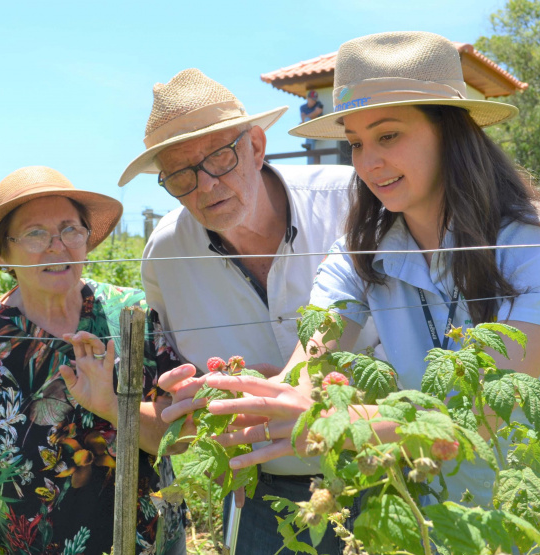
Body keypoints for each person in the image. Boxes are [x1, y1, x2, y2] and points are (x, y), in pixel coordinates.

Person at [162, 32, 540, 554]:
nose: (367, 162)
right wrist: (249, 395)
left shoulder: (537, 246)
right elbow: (310, 362)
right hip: (463, 526)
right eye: (356, 142)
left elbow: (477, 418)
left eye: (388, 136)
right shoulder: (359, 254)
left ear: (449, 132)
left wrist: (324, 421)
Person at [117, 68, 377, 555]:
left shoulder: (353, 201)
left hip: (383, 471)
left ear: (257, 147)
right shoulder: (166, 256)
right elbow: (180, 375)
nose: (205, 185)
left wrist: (285, 387)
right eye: (179, 174)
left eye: (219, 157)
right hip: (265, 494)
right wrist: (191, 395)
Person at [0, 166, 186, 555]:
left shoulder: (134, 317)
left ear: (86, 239)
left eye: (70, 229)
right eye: (36, 234)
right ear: (4, 254)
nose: (57, 245)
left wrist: (115, 407)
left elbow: (181, 438)